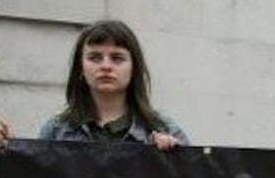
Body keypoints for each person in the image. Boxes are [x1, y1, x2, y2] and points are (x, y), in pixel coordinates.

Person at [40, 19, 188, 150]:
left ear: (134, 67)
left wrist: (176, 159)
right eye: (95, 58)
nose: (106, 66)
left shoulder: (165, 129)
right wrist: (16, 156)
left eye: (117, 58)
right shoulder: (55, 132)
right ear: (80, 68)